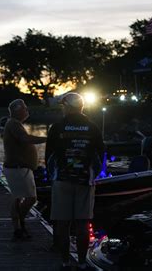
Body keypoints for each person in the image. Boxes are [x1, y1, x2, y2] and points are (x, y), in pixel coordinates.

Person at [45, 92, 104, 271]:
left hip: (61, 180)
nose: (62, 109)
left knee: (62, 223)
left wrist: (52, 175)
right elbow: (101, 154)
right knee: (83, 223)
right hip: (85, 180)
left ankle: (65, 261)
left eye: (63, 106)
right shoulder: (92, 127)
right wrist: (94, 174)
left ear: (68, 107)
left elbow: (49, 155)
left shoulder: (56, 127)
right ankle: (82, 262)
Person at [3, 99, 47, 240]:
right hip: (18, 168)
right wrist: (47, 139)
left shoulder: (15, 124)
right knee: (29, 198)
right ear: (17, 110)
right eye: (25, 108)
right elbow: (25, 139)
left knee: (20, 198)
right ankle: (19, 224)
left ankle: (19, 226)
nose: (27, 110)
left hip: (21, 168)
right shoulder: (14, 124)